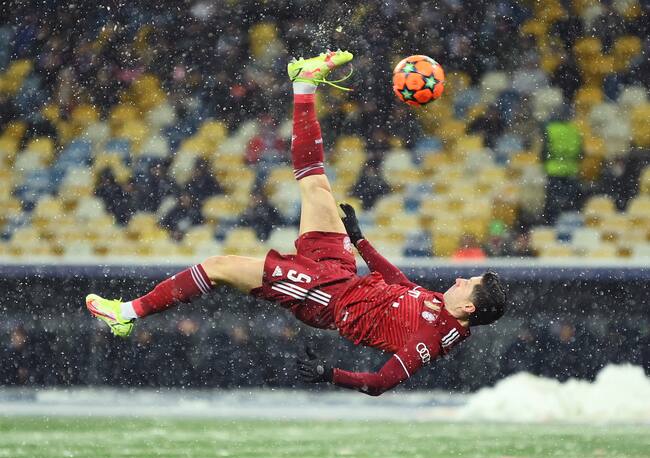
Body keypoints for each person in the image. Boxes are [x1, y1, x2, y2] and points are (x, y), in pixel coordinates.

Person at [86, 50, 507, 396]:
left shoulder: (431, 339)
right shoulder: (441, 305)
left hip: (325, 297)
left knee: (218, 266)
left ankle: (126, 313)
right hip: (343, 274)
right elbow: (399, 282)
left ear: (468, 307)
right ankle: (304, 84)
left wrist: (330, 374)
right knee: (315, 183)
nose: (460, 279)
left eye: (467, 283)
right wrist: (360, 240)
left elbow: (381, 382)